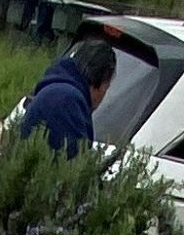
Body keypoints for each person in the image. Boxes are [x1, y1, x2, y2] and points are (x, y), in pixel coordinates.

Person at [11, 29, 121, 157]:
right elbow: (72, 166)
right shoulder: (67, 101)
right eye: (107, 88)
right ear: (101, 82)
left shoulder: (58, 88)